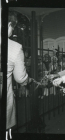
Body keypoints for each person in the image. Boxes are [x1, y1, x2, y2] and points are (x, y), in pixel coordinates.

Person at [7, 11, 32, 139]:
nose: (13, 31)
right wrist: (27, 81)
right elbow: (20, 77)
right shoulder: (15, 47)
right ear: (8, 25)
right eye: (13, 27)